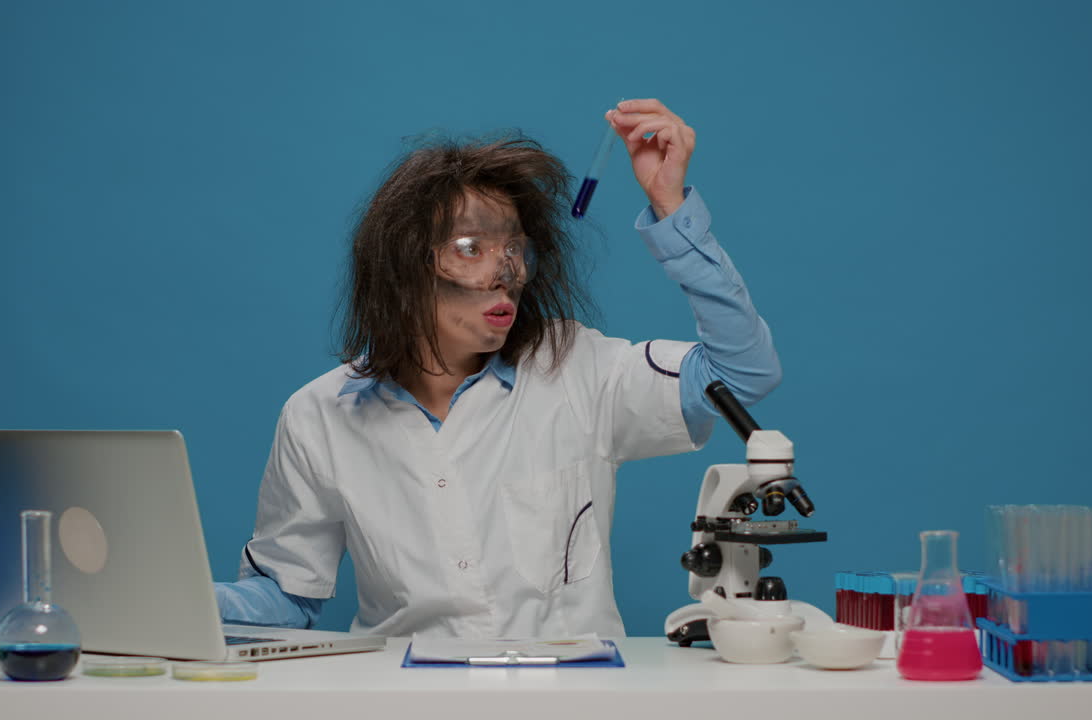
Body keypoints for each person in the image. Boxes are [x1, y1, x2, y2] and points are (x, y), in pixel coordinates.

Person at [215, 99, 781, 637]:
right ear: (403, 266)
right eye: (471, 248)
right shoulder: (318, 415)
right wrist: (162, 600)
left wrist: (671, 208)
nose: (504, 271)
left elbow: (741, 373)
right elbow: (286, 596)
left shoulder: (582, 370)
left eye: (514, 250)